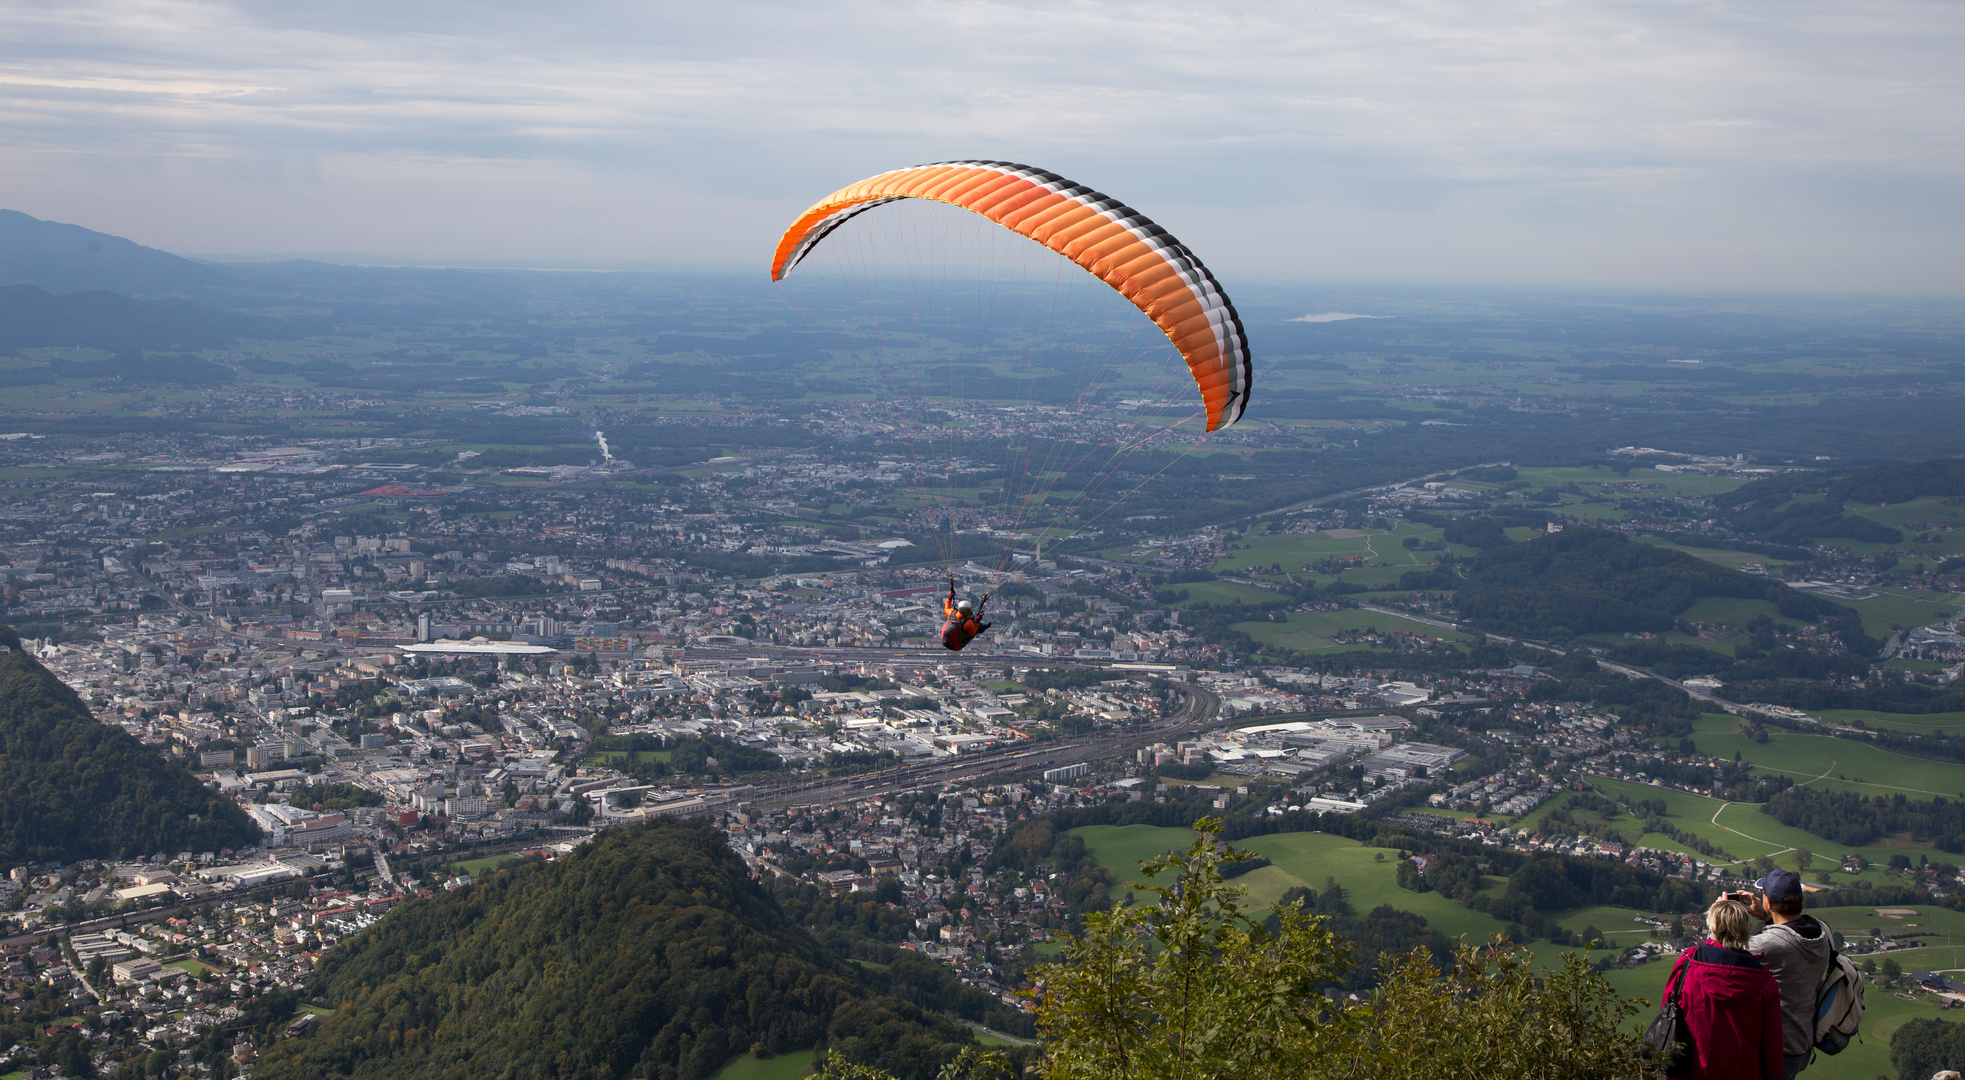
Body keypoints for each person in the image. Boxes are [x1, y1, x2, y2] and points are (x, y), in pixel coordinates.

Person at [1663, 897, 1785, 1080]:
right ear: (1746, 930)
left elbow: (1668, 1020)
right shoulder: (1764, 983)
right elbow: (1772, 1046)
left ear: (1711, 927)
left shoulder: (1686, 967)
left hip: (1694, 1073)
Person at [1740, 869, 1834, 1079]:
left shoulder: (1769, 944)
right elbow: (1789, 935)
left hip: (1776, 1048)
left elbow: (1720, 954)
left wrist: (1720, 914)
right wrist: (1766, 916)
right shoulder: (1821, 932)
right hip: (1801, 1041)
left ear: (1769, 902)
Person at [940, 580, 990, 652]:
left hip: (945, 641)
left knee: (972, 621)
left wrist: (949, 598)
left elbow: (946, 608)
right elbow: (972, 634)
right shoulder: (968, 623)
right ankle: (983, 627)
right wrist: (977, 621)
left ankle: (980, 624)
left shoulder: (952, 613)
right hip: (957, 645)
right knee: (977, 626)